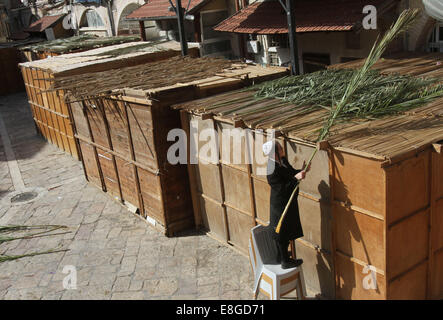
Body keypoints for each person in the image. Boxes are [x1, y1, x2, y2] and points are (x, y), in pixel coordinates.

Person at [262, 140, 310, 269]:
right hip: (280, 204)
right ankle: (285, 260)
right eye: (280, 148)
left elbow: (291, 173)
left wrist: (302, 171)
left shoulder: (282, 161)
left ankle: (281, 256)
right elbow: (282, 188)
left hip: (288, 201)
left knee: (288, 228)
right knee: (282, 230)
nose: (283, 149)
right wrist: (296, 178)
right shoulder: (271, 170)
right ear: (274, 153)